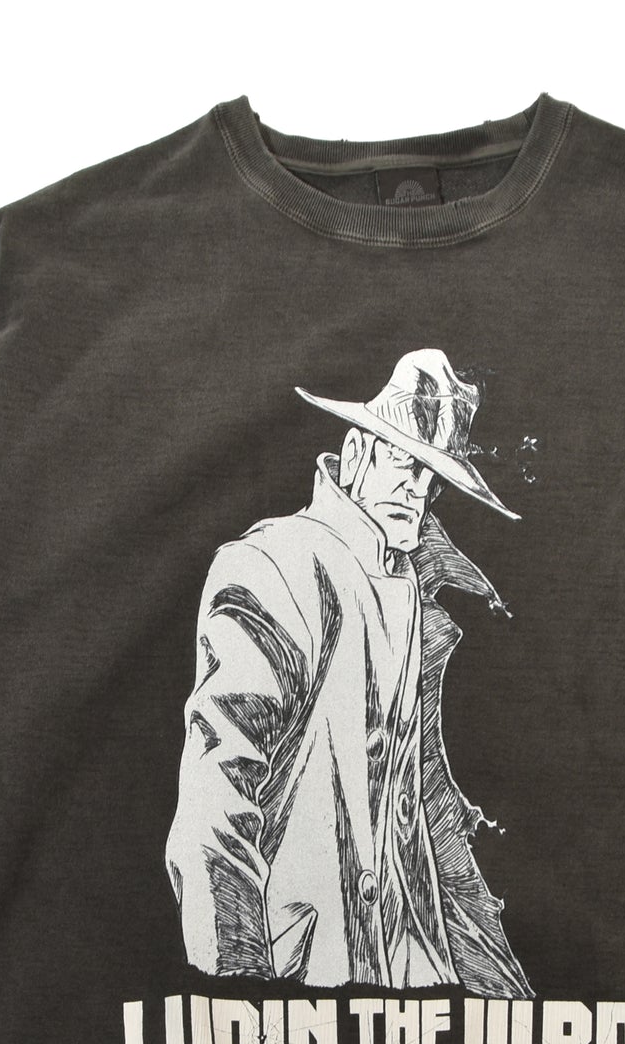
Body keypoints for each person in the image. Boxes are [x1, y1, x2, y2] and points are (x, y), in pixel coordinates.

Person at [164, 349, 533, 997]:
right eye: (406, 464)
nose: (419, 490)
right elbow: (216, 799)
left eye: (432, 477)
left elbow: (408, 806)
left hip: (409, 975)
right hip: (306, 979)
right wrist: (239, 990)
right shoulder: (276, 563)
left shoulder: (407, 585)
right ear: (358, 452)